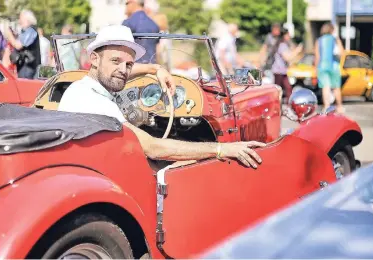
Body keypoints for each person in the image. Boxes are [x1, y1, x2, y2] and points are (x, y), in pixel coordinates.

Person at [58, 25, 266, 168]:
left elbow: (118, 70)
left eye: (128, 64)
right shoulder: (96, 101)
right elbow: (153, 148)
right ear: (94, 59)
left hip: (96, 165)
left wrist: (155, 68)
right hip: (107, 173)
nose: (123, 70)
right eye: (115, 61)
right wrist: (222, 148)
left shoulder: (81, 88)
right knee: (194, 164)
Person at [314, 22, 345, 113]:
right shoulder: (334, 39)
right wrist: (338, 39)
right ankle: (339, 106)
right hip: (334, 66)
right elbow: (342, 53)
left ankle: (326, 106)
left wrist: (316, 68)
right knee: (336, 87)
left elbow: (317, 56)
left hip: (322, 66)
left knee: (325, 87)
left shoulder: (319, 40)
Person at [4, 10, 41, 79]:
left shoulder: (31, 31)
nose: (19, 21)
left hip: (28, 68)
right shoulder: (26, 31)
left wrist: (10, 36)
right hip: (25, 67)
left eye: (21, 19)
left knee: (26, 87)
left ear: (27, 20)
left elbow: (18, 46)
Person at [272, 28, 303, 104]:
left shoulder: (283, 45)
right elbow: (288, 58)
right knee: (279, 90)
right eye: (288, 35)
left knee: (287, 89)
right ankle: (277, 106)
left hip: (282, 71)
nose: (289, 36)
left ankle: (289, 105)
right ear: (284, 35)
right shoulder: (282, 45)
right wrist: (297, 50)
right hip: (279, 71)